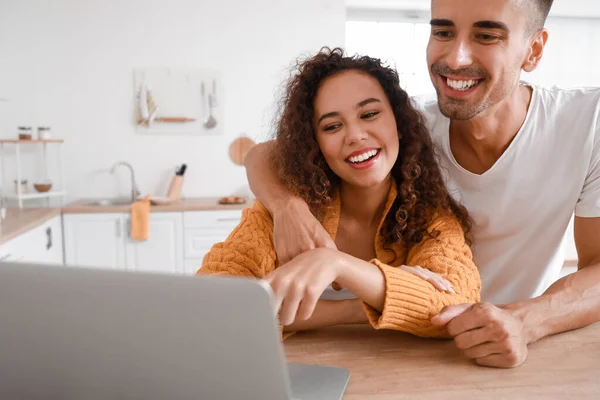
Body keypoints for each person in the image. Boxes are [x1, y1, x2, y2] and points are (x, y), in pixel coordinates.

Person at [244, 0, 600, 368]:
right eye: (442, 32)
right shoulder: (405, 129)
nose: (457, 58)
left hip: (504, 350)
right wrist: (288, 207)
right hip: (399, 346)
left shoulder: (588, 123)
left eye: (487, 35)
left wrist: (527, 321)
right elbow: (263, 155)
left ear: (533, 50)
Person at [198, 48, 481, 339]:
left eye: (369, 114)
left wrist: (336, 264)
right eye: (332, 126)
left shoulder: (431, 217)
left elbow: (456, 307)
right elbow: (213, 307)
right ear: (315, 143)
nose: (356, 135)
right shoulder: (285, 216)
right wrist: (357, 308)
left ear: (399, 124)